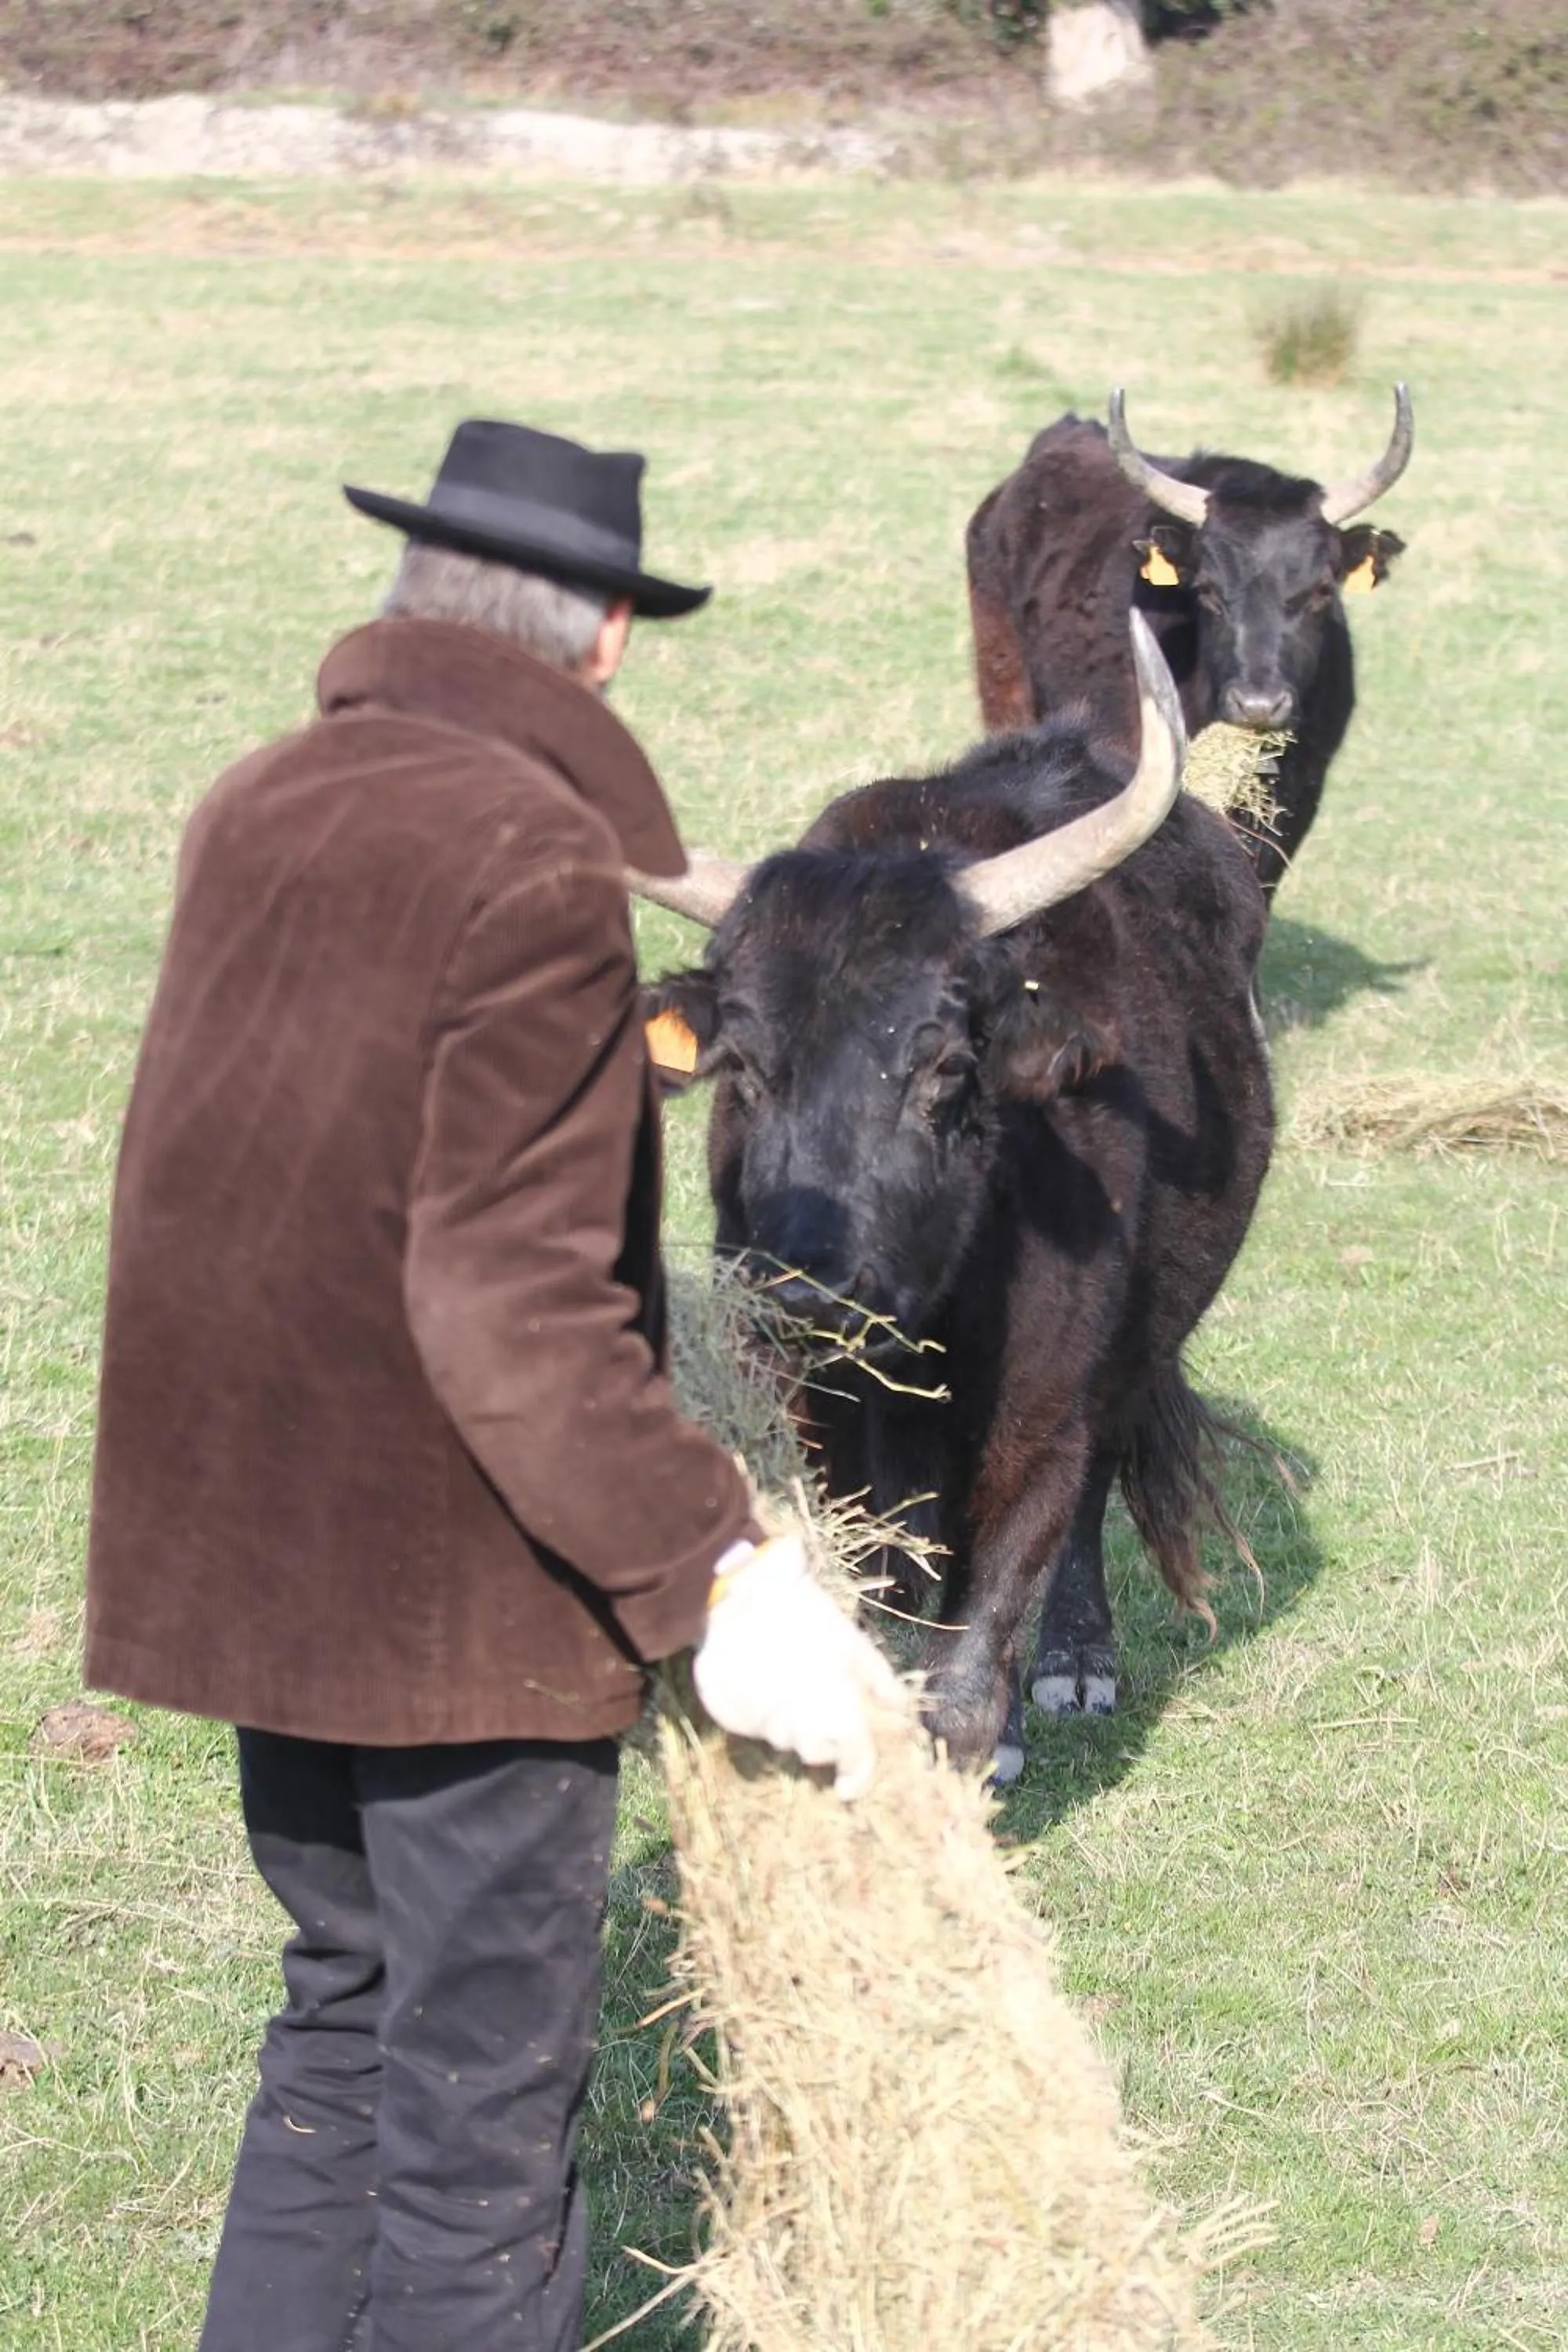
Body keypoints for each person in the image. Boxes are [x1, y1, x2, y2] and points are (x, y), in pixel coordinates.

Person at [82, 419, 899, 2352]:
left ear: (420, 596)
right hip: (454, 1602)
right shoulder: (532, 856)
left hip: (257, 1563)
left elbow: (224, 1178)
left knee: (342, 2037)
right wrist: (714, 1567)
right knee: (471, 2149)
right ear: (604, 634)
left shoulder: (257, 799)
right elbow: (510, 1302)